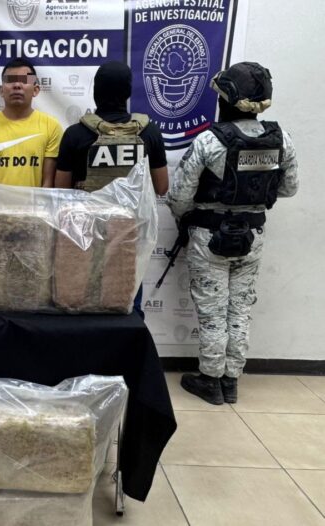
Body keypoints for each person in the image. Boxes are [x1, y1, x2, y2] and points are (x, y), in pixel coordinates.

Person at [167, 62, 298, 405]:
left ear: (226, 99)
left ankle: (210, 380)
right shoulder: (281, 138)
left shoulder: (209, 141)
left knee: (213, 311)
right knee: (240, 308)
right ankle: (231, 380)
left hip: (210, 236)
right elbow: (289, 188)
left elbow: (179, 196)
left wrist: (189, 216)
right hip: (252, 235)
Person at [55, 61, 169, 318]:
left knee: (82, 302)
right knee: (127, 305)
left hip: (84, 234)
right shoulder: (149, 132)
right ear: (128, 92)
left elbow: (60, 191)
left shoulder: (75, 134)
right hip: (130, 232)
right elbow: (162, 187)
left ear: (96, 90)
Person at [0, 57, 63, 187]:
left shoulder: (51, 126)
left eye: (24, 80)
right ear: (1, 90)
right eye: (10, 80)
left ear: (35, 90)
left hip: (34, 201)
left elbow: (48, 182)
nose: (17, 85)